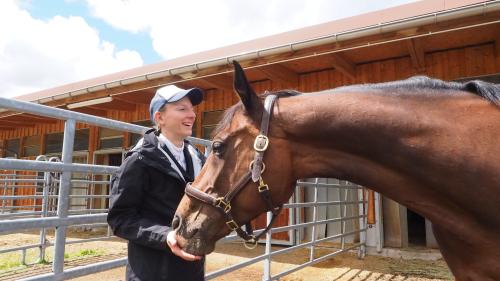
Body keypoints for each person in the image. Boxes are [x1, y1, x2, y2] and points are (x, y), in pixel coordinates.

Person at [107, 85, 205, 281]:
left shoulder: (198, 159)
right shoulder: (139, 160)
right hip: (152, 270)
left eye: (192, 109)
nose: (192, 114)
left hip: (192, 268)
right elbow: (120, 218)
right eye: (182, 109)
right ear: (160, 118)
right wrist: (165, 236)